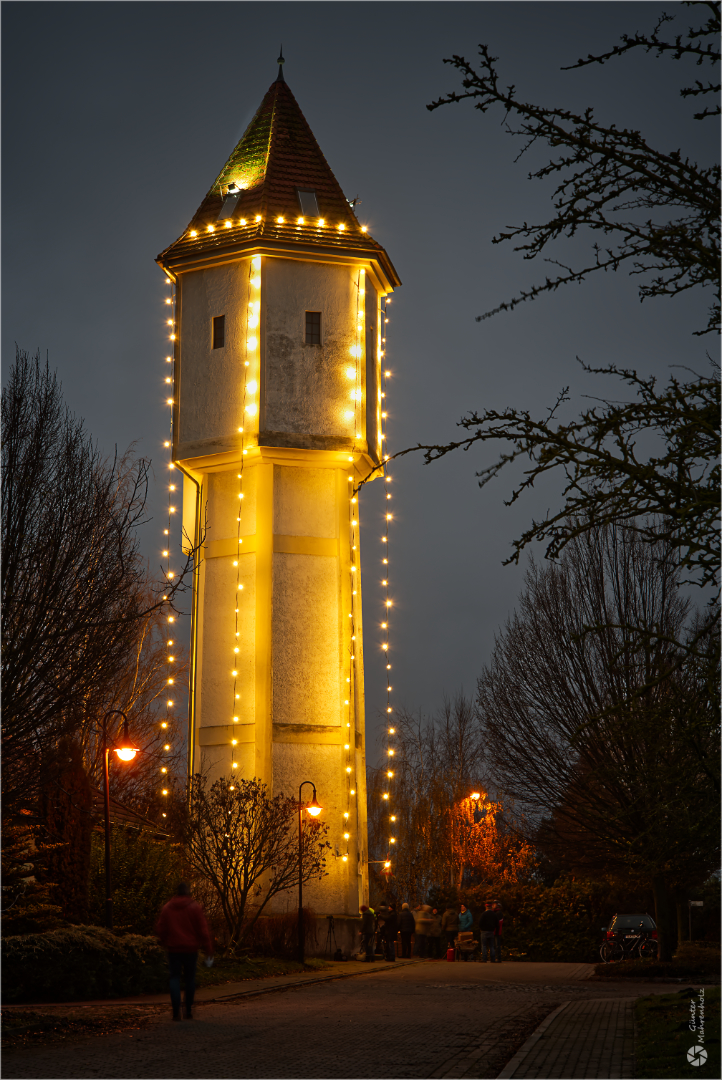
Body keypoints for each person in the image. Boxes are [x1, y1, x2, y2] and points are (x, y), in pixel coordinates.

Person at [155, 881, 213, 1021]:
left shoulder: (168, 908)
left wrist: (163, 942)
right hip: (191, 949)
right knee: (190, 979)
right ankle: (188, 1009)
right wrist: (208, 949)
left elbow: (161, 928)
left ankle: (176, 1011)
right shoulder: (194, 907)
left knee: (174, 977)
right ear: (188, 892)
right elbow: (203, 930)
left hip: (173, 948)